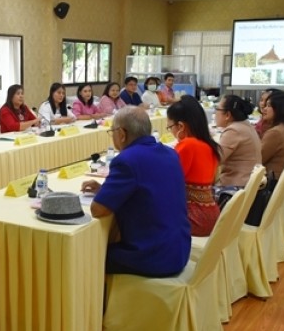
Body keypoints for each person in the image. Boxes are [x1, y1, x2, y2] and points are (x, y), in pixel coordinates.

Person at [80, 106, 190, 277]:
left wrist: (105, 196)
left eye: (112, 132)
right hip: (179, 248)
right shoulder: (170, 153)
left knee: (84, 256)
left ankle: (95, 304)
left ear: (122, 134)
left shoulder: (127, 160)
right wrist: (105, 190)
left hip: (154, 256)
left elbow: (98, 210)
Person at [167, 95, 221, 236]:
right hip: (210, 215)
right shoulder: (209, 145)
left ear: (181, 126)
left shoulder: (188, 144)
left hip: (194, 217)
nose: (171, 131)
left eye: (170, 127)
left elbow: (169, 181)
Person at [214, 95, 261, 186]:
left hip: (235, 188)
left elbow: (214, 160)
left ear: (227, 115)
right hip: (248, 185)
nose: (215, 113)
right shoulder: (245, 125)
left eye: (217, 109)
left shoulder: (233, 131)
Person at [260, 90, 284, 180]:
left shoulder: (275, 133)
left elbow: (258, 160)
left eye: (269, 106)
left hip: (269, 184)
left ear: (280, 109)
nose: (264, 109)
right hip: (283, 182)